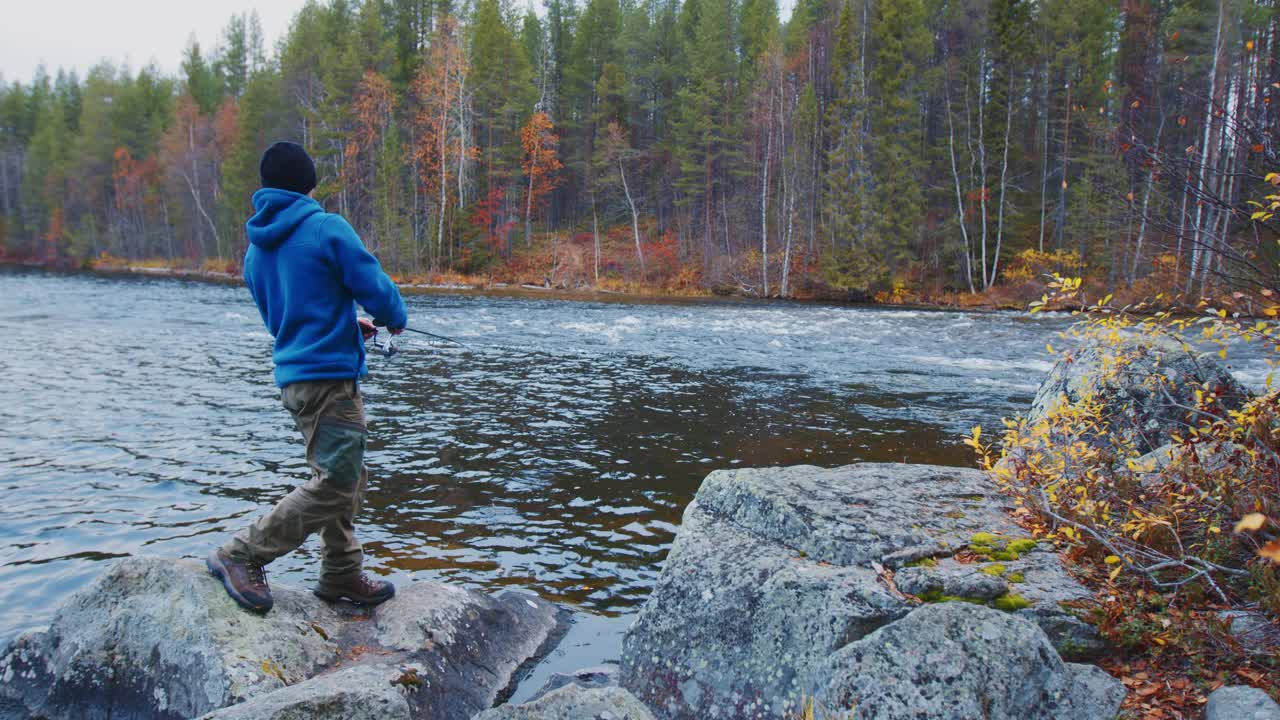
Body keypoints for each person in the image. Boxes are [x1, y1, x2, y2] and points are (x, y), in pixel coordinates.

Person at [207, 141, 407, 613]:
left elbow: (286, 319)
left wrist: (346, 322)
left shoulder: (256, 253)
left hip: (295, 382)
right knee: (338, 481)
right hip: (331, 381)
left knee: (342, 474)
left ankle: (340, 572)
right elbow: (372, 284)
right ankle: (241, 554)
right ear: (310, 184)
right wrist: (390, 316)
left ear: (266, 188)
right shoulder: (324, 228)